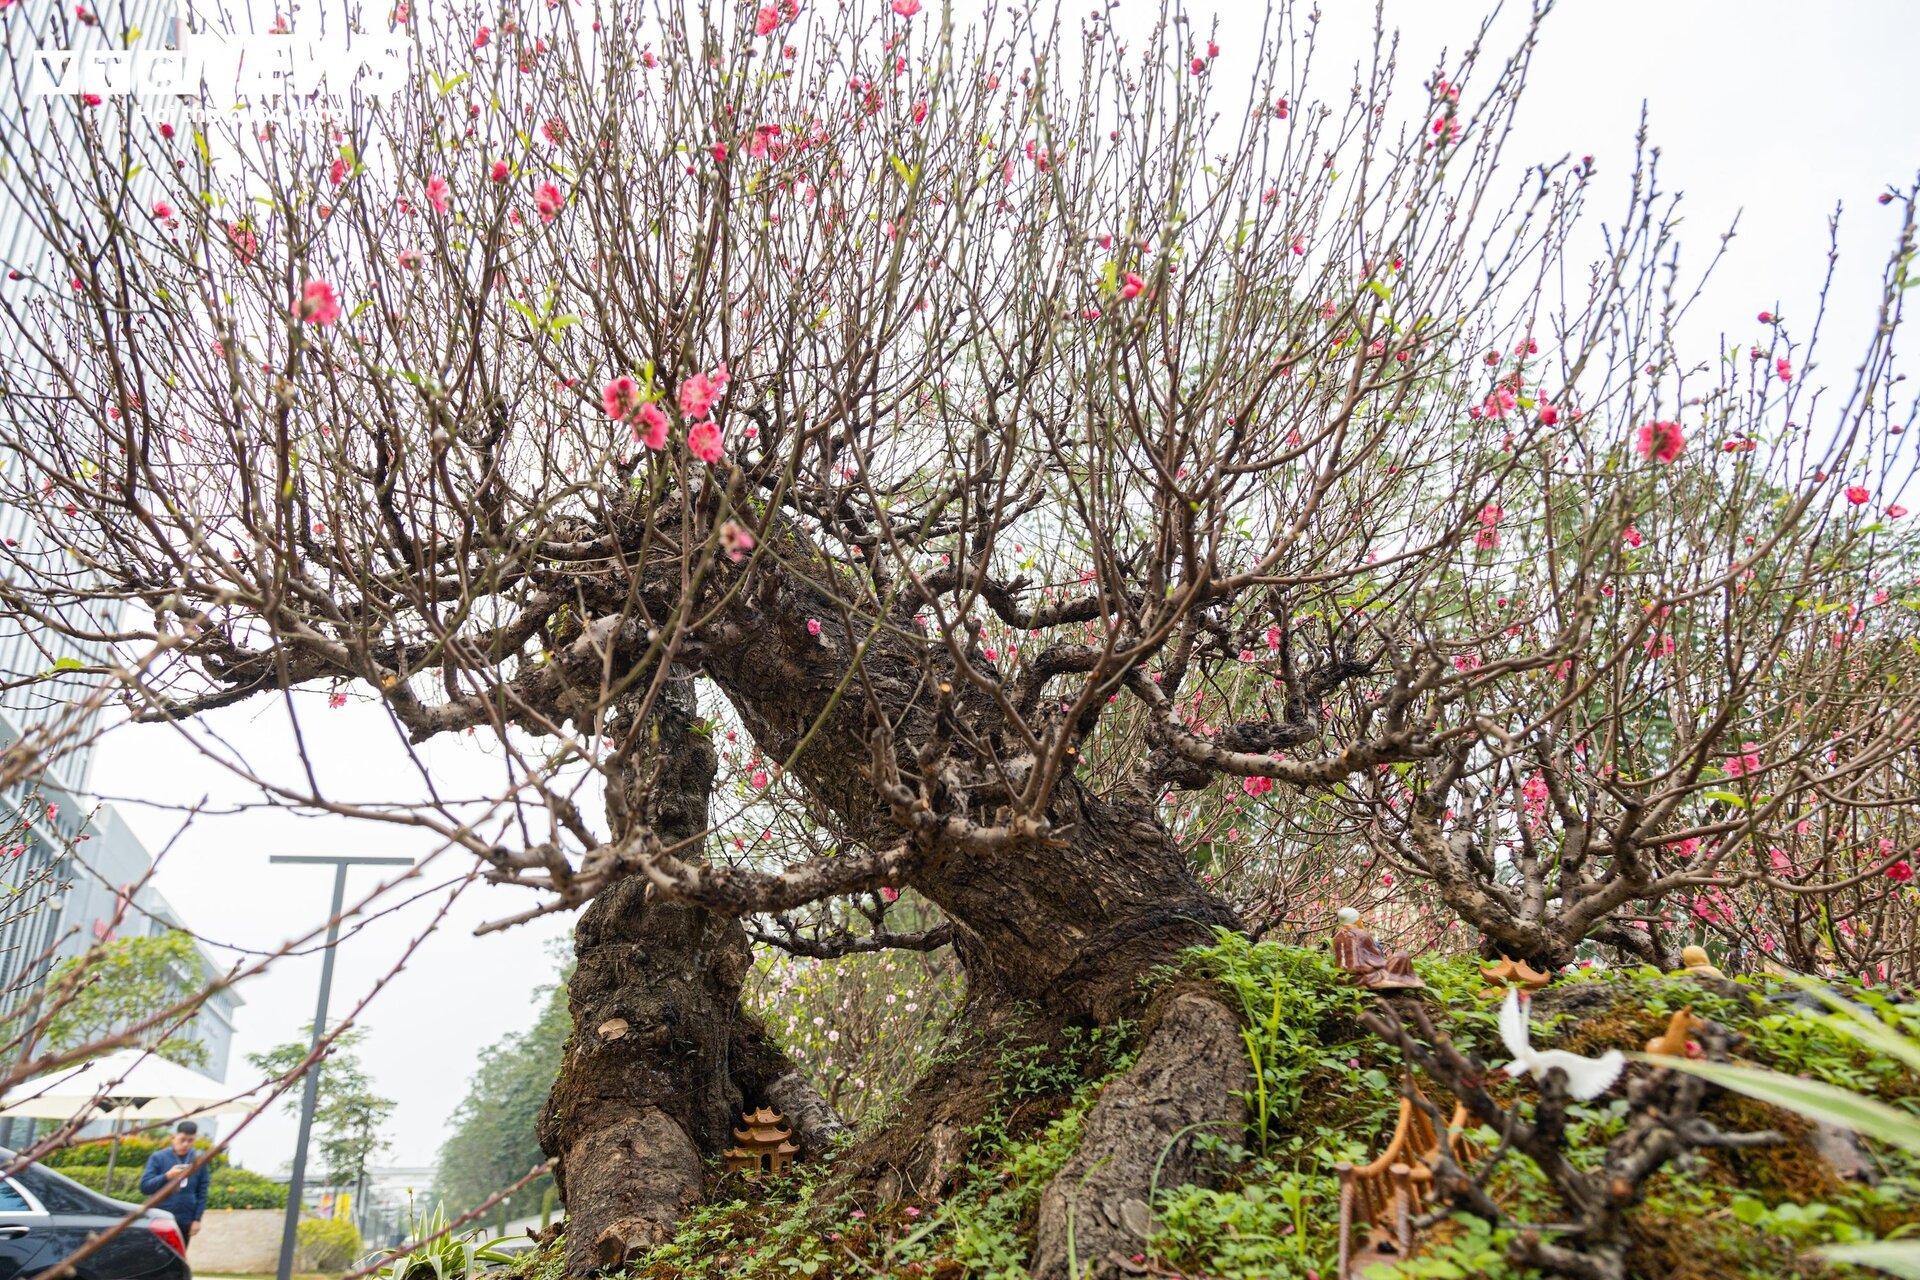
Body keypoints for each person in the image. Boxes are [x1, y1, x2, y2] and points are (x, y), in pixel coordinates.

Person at [139, 1120, 211, 1250]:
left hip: (186, 1218)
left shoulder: (199, 1159)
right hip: (160, 1216)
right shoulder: (158, 1157)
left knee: (179, 1257)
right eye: (182, 1140)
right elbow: (145, 1187)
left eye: (190, 1141)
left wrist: (197, 1219)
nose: (185, 1144)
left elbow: (202, 1191)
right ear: (173, 1137)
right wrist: (167, 1176)